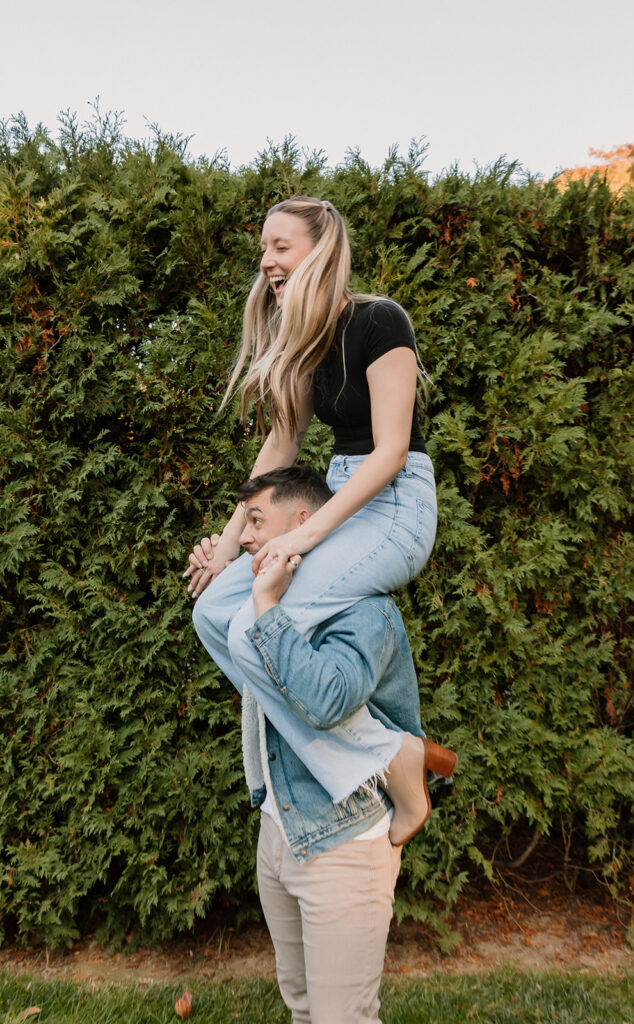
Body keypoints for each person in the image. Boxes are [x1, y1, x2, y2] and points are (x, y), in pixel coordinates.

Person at [187, 196, 454, 845]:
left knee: (258, 622)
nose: (267, 261)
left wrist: (304, 534)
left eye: (280, 246)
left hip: (392, 509)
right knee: (213, 613)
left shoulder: (379, 321)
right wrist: (226, 547)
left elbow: (390, 451)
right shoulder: (304, 339)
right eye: (263, 249)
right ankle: (392, 756)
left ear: (321, 247)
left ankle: (387, 764)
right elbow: (280, 450)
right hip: (338, 496)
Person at [208, 468, 445, 1023]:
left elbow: (326, 700)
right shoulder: (268, 600)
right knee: (303, 1009)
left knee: (342, 1019)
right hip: (279, 829)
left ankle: (396, 756)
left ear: (303, 523)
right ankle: (397, 755)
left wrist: (266, 608)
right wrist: (221, 574)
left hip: (344, 841)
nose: (243, 535)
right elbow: (216, 624)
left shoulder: (364, 610)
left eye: (256, 520)